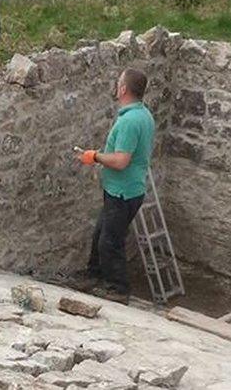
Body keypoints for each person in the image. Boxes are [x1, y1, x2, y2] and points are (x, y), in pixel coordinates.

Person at [74, 69, 156, 304]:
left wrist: (95, 156)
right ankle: (94, 274)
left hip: (123, 192)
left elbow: (121, 161)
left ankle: (118, 288)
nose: (116, 86)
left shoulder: (130, 121)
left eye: (118, 83)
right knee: (102, 234)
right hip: (123, 189)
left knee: (110, 241)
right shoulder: (143, 114)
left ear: (123, 89)